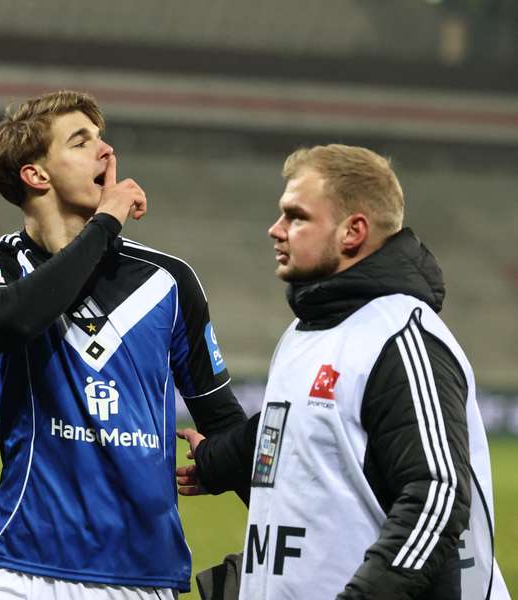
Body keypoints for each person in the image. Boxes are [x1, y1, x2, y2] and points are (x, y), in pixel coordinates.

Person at [177, 144, 510, 599]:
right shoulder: (305, 330)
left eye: (296, 216)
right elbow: (294, 425)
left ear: (353, 231)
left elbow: (437, 493)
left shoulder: (401, 335)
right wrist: (218, 461)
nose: (275, 230)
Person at [0, 90, 247, 599]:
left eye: (102, 139)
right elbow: (10, 321)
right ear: (36, 174)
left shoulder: (167, 279)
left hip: (141, 575)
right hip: (21, 568)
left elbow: (221, 419)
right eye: (81, 141)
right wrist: (105, 223)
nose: (106, 151)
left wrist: (291, 531)